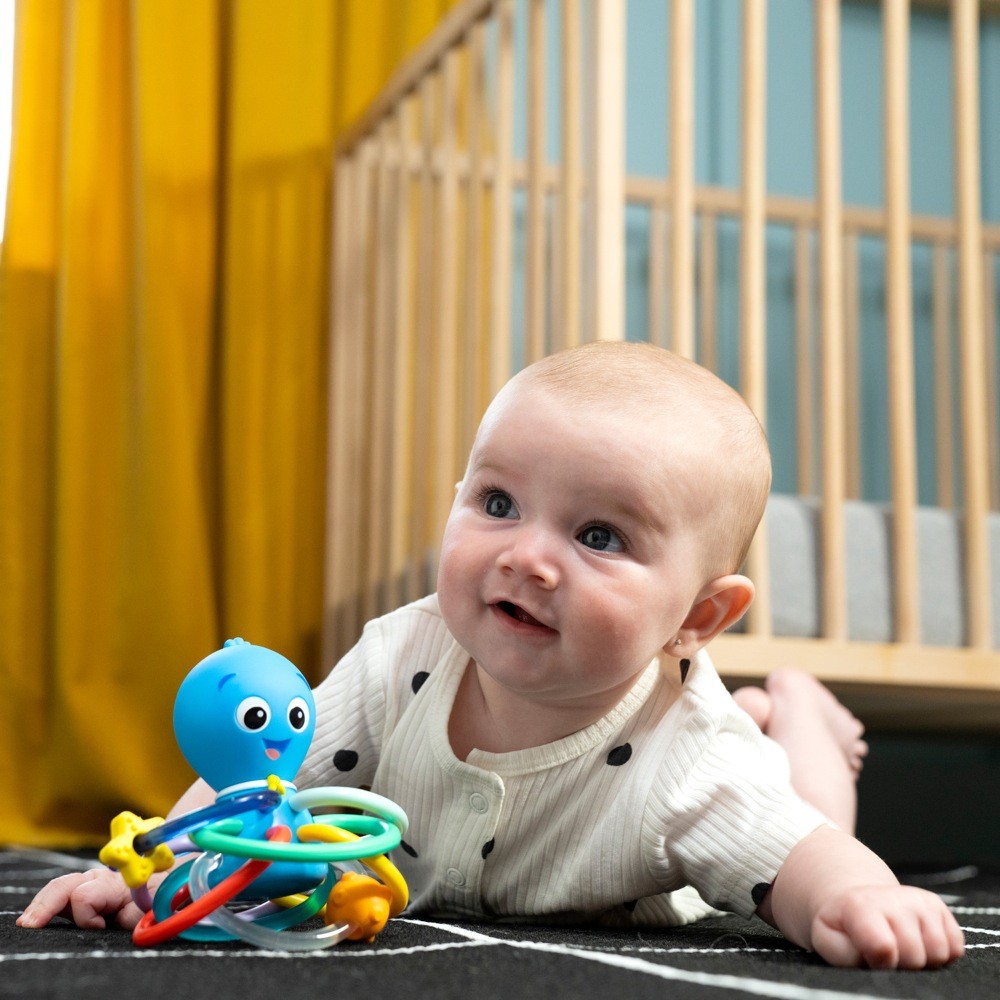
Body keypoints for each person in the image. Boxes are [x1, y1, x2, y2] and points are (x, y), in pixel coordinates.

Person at [18, 342, 964, 969]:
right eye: (499, 505)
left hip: (682, 836)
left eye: (598, 535)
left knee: (798, 808)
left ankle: (799, 718)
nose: (526, 556)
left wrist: (860, 898)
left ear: (698, 617)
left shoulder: (691, 760)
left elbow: (798, 863)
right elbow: (255, 784)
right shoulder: (403, 653)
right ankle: (774, 709)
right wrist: (151, 869)